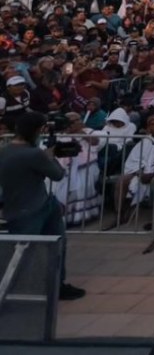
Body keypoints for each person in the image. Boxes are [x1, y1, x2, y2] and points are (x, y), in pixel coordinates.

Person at [0, 112, 87, 299]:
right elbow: (57, 174)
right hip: (34, 208)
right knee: (40, 250)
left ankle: (27, 288)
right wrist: (50, 156)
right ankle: (41, 287)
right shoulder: (33, 154)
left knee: (27, 251)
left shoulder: (4, 150)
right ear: (38, 130)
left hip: (21, 206)